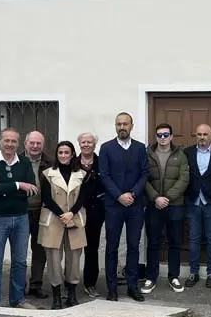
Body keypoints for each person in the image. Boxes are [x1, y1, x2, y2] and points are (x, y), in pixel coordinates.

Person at [0, 127, 38, 309]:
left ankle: (18, 299)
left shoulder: (24, 162)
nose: (10, 144)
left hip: (21, 218)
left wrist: (3, 187)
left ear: (18, 143)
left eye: (14, 141)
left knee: (20, 262)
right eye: (6, 140)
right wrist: (18, 185)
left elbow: (32, 191)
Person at [99, 112, 150, 302]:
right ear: (115, 126)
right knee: (111, 247)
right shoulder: (106, 148)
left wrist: (133, 194)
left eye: (125, 124)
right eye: (119, 124)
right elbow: (104, 175)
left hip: (135, 205)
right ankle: (112, 288)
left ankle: (132, 285)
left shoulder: (139, 148)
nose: (122, 127)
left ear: (131, 125)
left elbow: (145, 173)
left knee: (133, 247)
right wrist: (119, 195)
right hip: (114, 205)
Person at [38, 141, 91, 309]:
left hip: (74, 218)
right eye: (60, 152)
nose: (63, 155)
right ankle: (56, 297)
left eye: (66, 152)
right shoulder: (47, 173)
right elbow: (46, 198)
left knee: (74, 258)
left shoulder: (82, 174)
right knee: (53, 259)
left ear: (72, 154)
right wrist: (62, 214)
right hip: (54, 219)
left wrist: (71, 213)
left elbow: (83, 197)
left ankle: (72, 294)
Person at [144, 123, 189, 294]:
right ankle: (151, 278)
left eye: (166, 135)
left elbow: (184, 179)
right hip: (153, 205)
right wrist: (156, 198)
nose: (163, 138)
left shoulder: (180, 155)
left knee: (174, 242)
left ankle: (174, 277)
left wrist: (167, 198)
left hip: (174, 205)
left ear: (171, 137)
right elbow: (144, 178)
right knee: (153, 243)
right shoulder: (148, 154)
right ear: (156, 137)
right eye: (159, 135)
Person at [183, 124, 211, 289]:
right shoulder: (186, 153)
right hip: (193, 201)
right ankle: (193, 272)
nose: (202, 137)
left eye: (205, 134)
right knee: (193, 238)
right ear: (196, 136)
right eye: (199, 134)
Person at [24, 131, 53, 300]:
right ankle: (19, 286)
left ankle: (36, 285)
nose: (35, 146)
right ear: (25, 144)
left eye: (38, 144)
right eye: (32, 143)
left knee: (40, 250)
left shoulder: (50, 162)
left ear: (43, 145)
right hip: (21, 210)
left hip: (42, 211)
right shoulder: (17, 160)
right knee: (19, 251)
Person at [77, 132, 105, 298]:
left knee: (92, 248)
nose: (86, 144)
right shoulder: (72, 162)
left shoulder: (102, 162)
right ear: (79, 144)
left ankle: (90, 283)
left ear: (95, 145)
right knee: (72, 248)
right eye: (83, 142)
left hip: (95, 210)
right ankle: (70, 283)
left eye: (89, 142)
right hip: (75, 210)